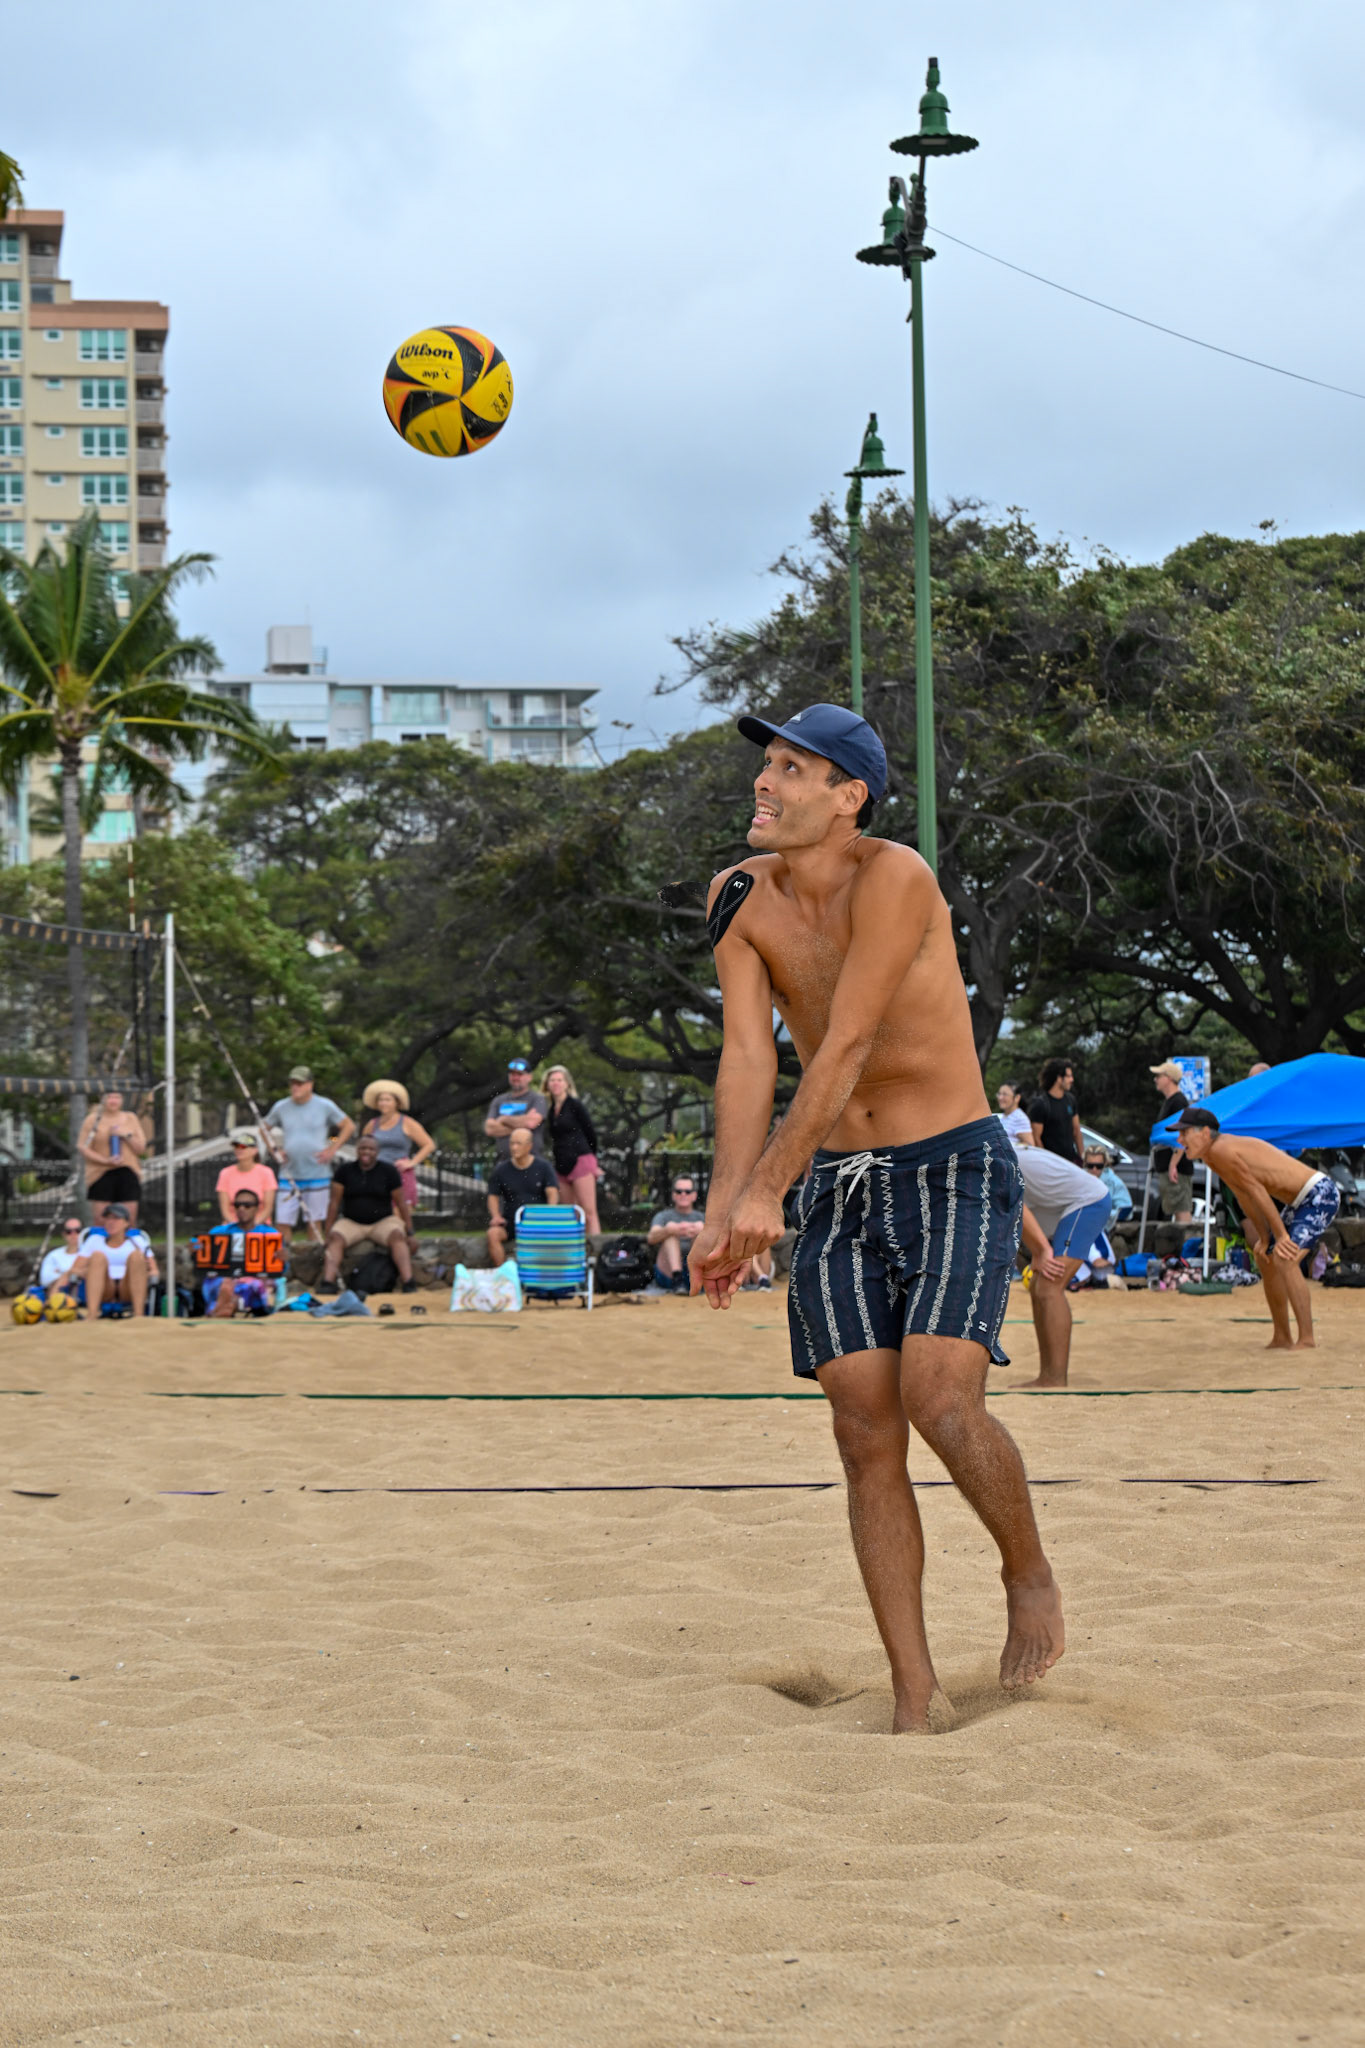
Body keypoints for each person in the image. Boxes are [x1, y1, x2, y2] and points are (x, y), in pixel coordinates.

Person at [691, 700, 1062, 1731]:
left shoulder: (896, 875)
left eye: (794, 769)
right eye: (767, 763)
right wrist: (727, 1208)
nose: (766, 782)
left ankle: (1025, 1568)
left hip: (949, 1159)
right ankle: (914, 1689)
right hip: (841, 1178)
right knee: (864, 1427)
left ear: (849, 796)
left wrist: (769, 1185)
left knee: (943, 1398)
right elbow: (747, 1055)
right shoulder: (735, 896)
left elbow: (847, 1040)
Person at [1175, 1108, 1340, 1350]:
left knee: (1285, 1258)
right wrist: (1264, 1238)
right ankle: (1282, 1337)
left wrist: (1281, 1236)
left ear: (1205, 1133)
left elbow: (1257, 1191)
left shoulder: (1222, 1149)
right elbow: (1244, 1197)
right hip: (1299, 1200)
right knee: (1266, 1258)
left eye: (1185, 1133)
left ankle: (1306, 1339)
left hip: (1319, 1194)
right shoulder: (1212, 1155)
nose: (1180, 1140)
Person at [1014, 1147, 1114, 1385]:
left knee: (1049, 1287)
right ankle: (1047, 1375)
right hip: (1069, 1205)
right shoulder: (989, 1152)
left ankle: (1055, 1378)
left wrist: (1041, 1251)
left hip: (1089, 1202)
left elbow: (1016, 1205)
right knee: (1038, 1286)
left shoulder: (990, 1158)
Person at [263, 1067, 354, 1243]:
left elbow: (348, 1125)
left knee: (314, 1222)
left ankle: (313, 1258)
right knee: (282, 1220)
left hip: (318, 1174)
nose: (295, 1087)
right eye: (293, 1083)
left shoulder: (325, 1105)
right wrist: (274, 1150)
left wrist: (332, 1149)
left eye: (300, 1083)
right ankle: (285, 1262)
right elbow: (264, 1128)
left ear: (310, 1084)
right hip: (289, 1174)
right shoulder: (281, 1106)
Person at [318, 1132, 416, 1293]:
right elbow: (334, 1203)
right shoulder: (344, 1171)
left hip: (383, 1221)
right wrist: (328, 1231)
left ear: (377, 1152)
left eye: (371, 1149)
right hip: (352, 1222)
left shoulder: (389, 1171)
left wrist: (410, 1232)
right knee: (336, 1239)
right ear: (357, 1150)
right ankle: (328, 1282)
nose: (366, 1152)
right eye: (363, 1148)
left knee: (398, 1237)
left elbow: (401, 1203)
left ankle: (408, 1281)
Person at [540, 1064, 602, 1235]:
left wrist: (593, 1160)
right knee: (570, 1212)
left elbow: (591, 1133)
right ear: (547, 1084)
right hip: (561, 1162)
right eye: (552, 1080)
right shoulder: (551, 1110)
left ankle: (595, 1252)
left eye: (559, 1080)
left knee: (588, 1211)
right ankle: (573, 1250)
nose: (556, 1083)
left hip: (581, 1158)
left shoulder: (575, 1105)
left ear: (567, 1083)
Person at [201, 1191, 284, 1318]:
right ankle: (229, 1304)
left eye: (247, 1205)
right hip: (226, 1277)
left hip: (256, 1277)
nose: (241, 1209)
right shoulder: (219, 1232)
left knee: (256, 1285)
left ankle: (225, 1306)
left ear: (257, 1208)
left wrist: (284, 1259)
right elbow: (203, 1256)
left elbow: (281, 1269)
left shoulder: (270, 1234)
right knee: (220, 1281)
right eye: (237, 1205)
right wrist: (196, 1249)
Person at [486, 1124, 558, 1265]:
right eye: (512, 1143)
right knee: (492, 1234)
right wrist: (496, 1216)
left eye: (518, 1144)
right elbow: (493, 1195)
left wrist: (549, 1214)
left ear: (529, 1146)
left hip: (537, 1221)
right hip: (512, 1221)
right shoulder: (501, 1169)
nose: (514, 1148)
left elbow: (552, 1193)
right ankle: (504, 1275)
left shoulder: (543, 1167)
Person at [361, 1080, 435, 1214]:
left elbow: (429, 1145)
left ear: (397, 1103)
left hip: (399, 1175)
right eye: (381, 1100)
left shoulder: (407, 1123)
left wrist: (412, 1162)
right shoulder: (372, 1124)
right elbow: (363, 1148)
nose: (383, 1103)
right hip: (376, 1174)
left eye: (388, 1100)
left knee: (400, 1219)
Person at [76, 1088, 148, 1226]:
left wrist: (125, 1135)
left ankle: (129, 1244)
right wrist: (105, 1161)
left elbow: (141, 1148)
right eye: (109, 1097)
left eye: (117, 1097)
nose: (113, 1101)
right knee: (101, 1218)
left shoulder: (130, 1118)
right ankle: (101, 1245)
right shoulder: (93, 1120)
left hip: (127, 1171)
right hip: (101, 1173)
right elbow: (83, 1147)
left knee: (129, 1218)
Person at [83, 1203, 157, 1318]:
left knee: (136, 1256)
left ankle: (139, 1315)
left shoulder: (137, 1241)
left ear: (126, 1223)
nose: (111, 1222)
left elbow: (154, 1271)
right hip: (104, 1286)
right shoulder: (94, 1240)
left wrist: (144, 1269)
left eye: (116, 1218)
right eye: (108, 1218)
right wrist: (88, 1270)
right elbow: (76, 1268)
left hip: (128, 1286)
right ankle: (91, 1314)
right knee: (98, 1257)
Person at [1149, 1061, 1194, 1224]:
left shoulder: (1178, 1102)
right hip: (1168, 1165)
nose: (1155, 1080)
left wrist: (1173, 1163)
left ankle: (1186, 1247)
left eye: (1158, 1076)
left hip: (1177, 1167)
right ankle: (1180, 1247)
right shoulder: (1170, 1101)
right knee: (1175, 1210)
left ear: (1168, 1078)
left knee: (1181, 1210)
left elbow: (1183, 1134)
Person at [648, 1172, 707, 1293]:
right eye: (679, 1191)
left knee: (701, 1235)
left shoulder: (703, 1217)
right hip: (667, 1273)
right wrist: (669, 1230)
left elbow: (721, 1239)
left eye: (687, 1191)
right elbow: (651, 1238)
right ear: (673, 1195)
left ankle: (695, 1277)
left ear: (694, 1195)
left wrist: (704, 1230)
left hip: (697, 1274)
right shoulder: (663, 1216)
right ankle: (677, 1278)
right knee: (670, 1235)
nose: (683, 1194)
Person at [484, 1057, 549, 1160]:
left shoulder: (537, 1099)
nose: (515, 1077)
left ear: (529, 1077)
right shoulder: (498, 1100)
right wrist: (523, 1123)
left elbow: (531, 1123)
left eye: (520, 1074)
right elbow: (489, 1129)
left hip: (532, 1163)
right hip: (504, 1163)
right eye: (512, 1074)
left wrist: (503, 1120)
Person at [215, 1128, 278, 1224]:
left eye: (244, 1147)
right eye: (237, 1146)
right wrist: (238, 1227)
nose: (239, 1149)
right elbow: (225, 1210)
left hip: (259, 1225)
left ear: (255, 1150)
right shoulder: (225, 1173)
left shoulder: (266, 1173)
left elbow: (267, 1208)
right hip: (232, 1225)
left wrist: (251, 1226)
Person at [1027, 1060, 1082, 1165]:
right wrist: (1047, 1163)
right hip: (1051, 1165)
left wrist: (1082, 1158)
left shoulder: (1070, 1100)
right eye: (1069, 1076)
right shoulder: (1041, 1104)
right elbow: (1036, 1138)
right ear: (1059, 1078)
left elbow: (1076, 1130)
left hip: (1071, 1163)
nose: (1072, 1080)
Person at [39, 1217, 89, 1309]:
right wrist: (71, 1273)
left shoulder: (89, 1253)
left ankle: (51, 1305)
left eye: (77, 1231)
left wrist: (64, 1272)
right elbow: (45, 1280)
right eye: (69, 1231)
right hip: (61, 1293)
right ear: (64, 1234)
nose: (73, 1234)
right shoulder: (53, 1256)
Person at [1085, 1146, 1133, 1222]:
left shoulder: (1114, 1182)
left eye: (1099, 1166)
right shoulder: (1078, 1180)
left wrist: (1101, 1214)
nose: (1094, 1169)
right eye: (1090, 1166)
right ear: (1085, 1164)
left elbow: (1125, 1210)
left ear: (1105, 1164)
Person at [995, 1081, 1035, 1145]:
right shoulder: (999, 1116)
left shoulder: (1020, 1118)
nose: (1000, 1097)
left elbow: (1029, 1145)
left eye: (1005, 1094)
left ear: (1017, 1097)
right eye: (999, 1094)